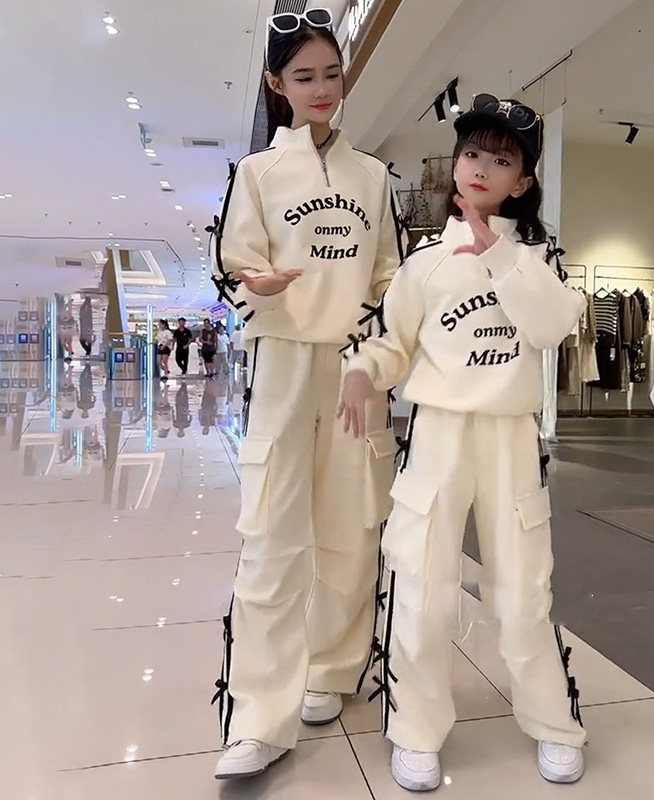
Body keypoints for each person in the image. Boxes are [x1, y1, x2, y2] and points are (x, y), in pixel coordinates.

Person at [339, 94, 588, 792]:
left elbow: (553, 326)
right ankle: (415, 731)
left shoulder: (537, 256)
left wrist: (498, 252)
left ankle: (553, 722)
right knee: (421, 586)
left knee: (524, 589)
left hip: (510, 438)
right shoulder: (424, 261)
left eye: (500, 160)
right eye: (472, 152)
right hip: (439, 434)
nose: (480, 167)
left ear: (524, 180)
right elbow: (394, 342)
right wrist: (362, 371)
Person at [210, 7, 402, 782]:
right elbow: (235, 267)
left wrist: (383, 345)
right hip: (284, 360)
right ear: (276, 83)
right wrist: (255, 284)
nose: (322, 89)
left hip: (355, 367)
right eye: (304, 76)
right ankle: (259, 715)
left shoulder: (374, 176)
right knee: (271, 536)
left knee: (354, 523)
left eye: (332, 74)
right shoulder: (257, 174)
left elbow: (388, 274)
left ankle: (332, 669)